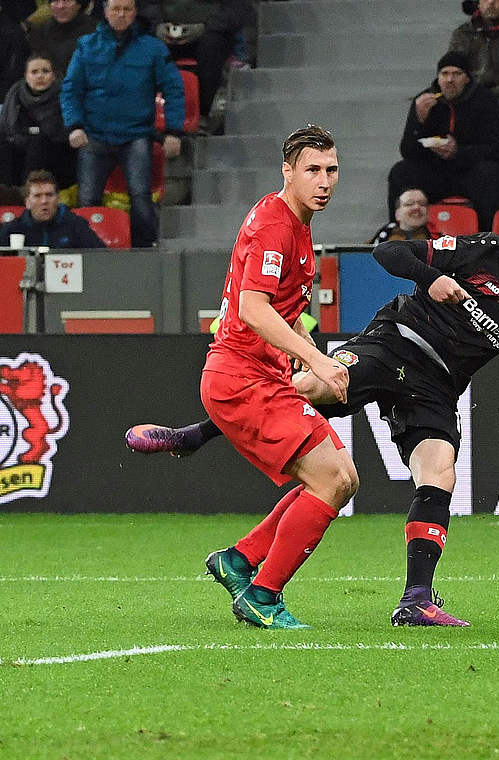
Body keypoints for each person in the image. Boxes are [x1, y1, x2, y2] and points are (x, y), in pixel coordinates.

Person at [127, 199, 499, 626]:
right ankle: (196, 434)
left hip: (436, 389)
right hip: (396, 343)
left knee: (439, 471)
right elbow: (388, 252)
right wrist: (431, 276)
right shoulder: (482, 252)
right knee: (313, 384)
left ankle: (416, 599)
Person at [194, 125, 354, 630]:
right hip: (242, 377)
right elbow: (252, 308)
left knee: (336, 479)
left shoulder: (294, 222)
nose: (324, 180)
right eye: (312, 170)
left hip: (258, 376)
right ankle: (262, 595)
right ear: (288, 171)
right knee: (333, 478)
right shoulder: (275, 225)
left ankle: (240, 561)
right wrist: (319, 360)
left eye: (331, 170)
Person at [61, 0, 184, 247]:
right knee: (87, 201)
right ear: (105, 12)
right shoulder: (86, 46)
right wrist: (74, 125)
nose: (121, 14)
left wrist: (173, 131)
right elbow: (70, 89)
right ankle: (86, 253)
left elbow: (174, 88)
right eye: (116, 9)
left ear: (134, 13)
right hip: (94, 135)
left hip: (136, 135)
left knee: (141, 198)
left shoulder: (153, 48)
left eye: (127, 9)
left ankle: (146, 251)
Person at [387, 51, 499, 231]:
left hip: (469, 171)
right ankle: (396, 231)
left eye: (456, 74)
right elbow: (408, 151)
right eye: (445, 74)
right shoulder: (424, 100)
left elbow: (497, 148)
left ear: (467, 78)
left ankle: (485, 237)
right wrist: (419, 121)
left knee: (490, 173)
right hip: (435, 172)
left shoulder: (485, 100)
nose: (450, 79)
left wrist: (459, 152)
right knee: (400, 171)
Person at [140, 0, 254, 132]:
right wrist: (156, 25)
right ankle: (145, 113)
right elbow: (145, 5)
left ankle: (202, 112)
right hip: (165, 30)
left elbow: (237, 9)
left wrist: (205, 26)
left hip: (209, 32)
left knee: (212, 46)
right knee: (145, 44)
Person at [1, 54, 76, 187]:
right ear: (26, 76)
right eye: (34, 72)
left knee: (38, 141)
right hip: (21, 146)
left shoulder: (66, 95)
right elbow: (9, 128)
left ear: (54, 75)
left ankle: (30, 193)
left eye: (45, 71)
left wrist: (34, 133)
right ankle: (6, 191)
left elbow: (63, 133)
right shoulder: (15, 94)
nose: (40, 76)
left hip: (57, 152)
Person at [0, 168, 103, 247]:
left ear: (57, 198)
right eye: (37, 196)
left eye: (49, 195)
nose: (44, 201)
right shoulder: (12, 229)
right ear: (27, 202)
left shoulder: (76, 225)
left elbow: (102, 257)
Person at [25, 0, 95, 76]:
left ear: (78, 5)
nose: (61, 6)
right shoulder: (39, 32)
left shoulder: (95, 31)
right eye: (56, 1)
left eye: (67, 1)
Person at [370, 187, 434, 245]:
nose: (416, 207)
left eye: (422, 204)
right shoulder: (382, 238)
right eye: (409, 204)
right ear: (397, 214)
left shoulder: (439, 240)